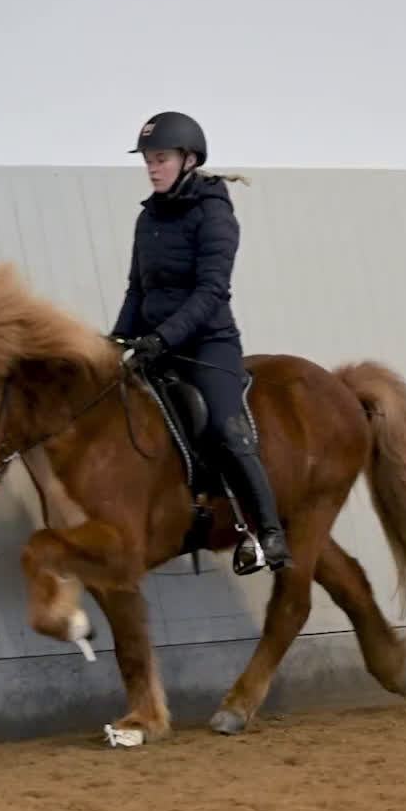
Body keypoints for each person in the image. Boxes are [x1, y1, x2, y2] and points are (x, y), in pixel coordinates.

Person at [110, 110, 294, 572]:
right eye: (148, 160)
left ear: (189, 160)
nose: (152, 168)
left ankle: (269, 533)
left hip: (208, 346)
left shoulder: (213, 212)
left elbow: (212, 291)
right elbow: (138, 289)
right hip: (156, 344)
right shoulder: (147, 218)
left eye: (161, 159)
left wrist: (161, 337)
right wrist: (117, 339)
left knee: (225, 430)